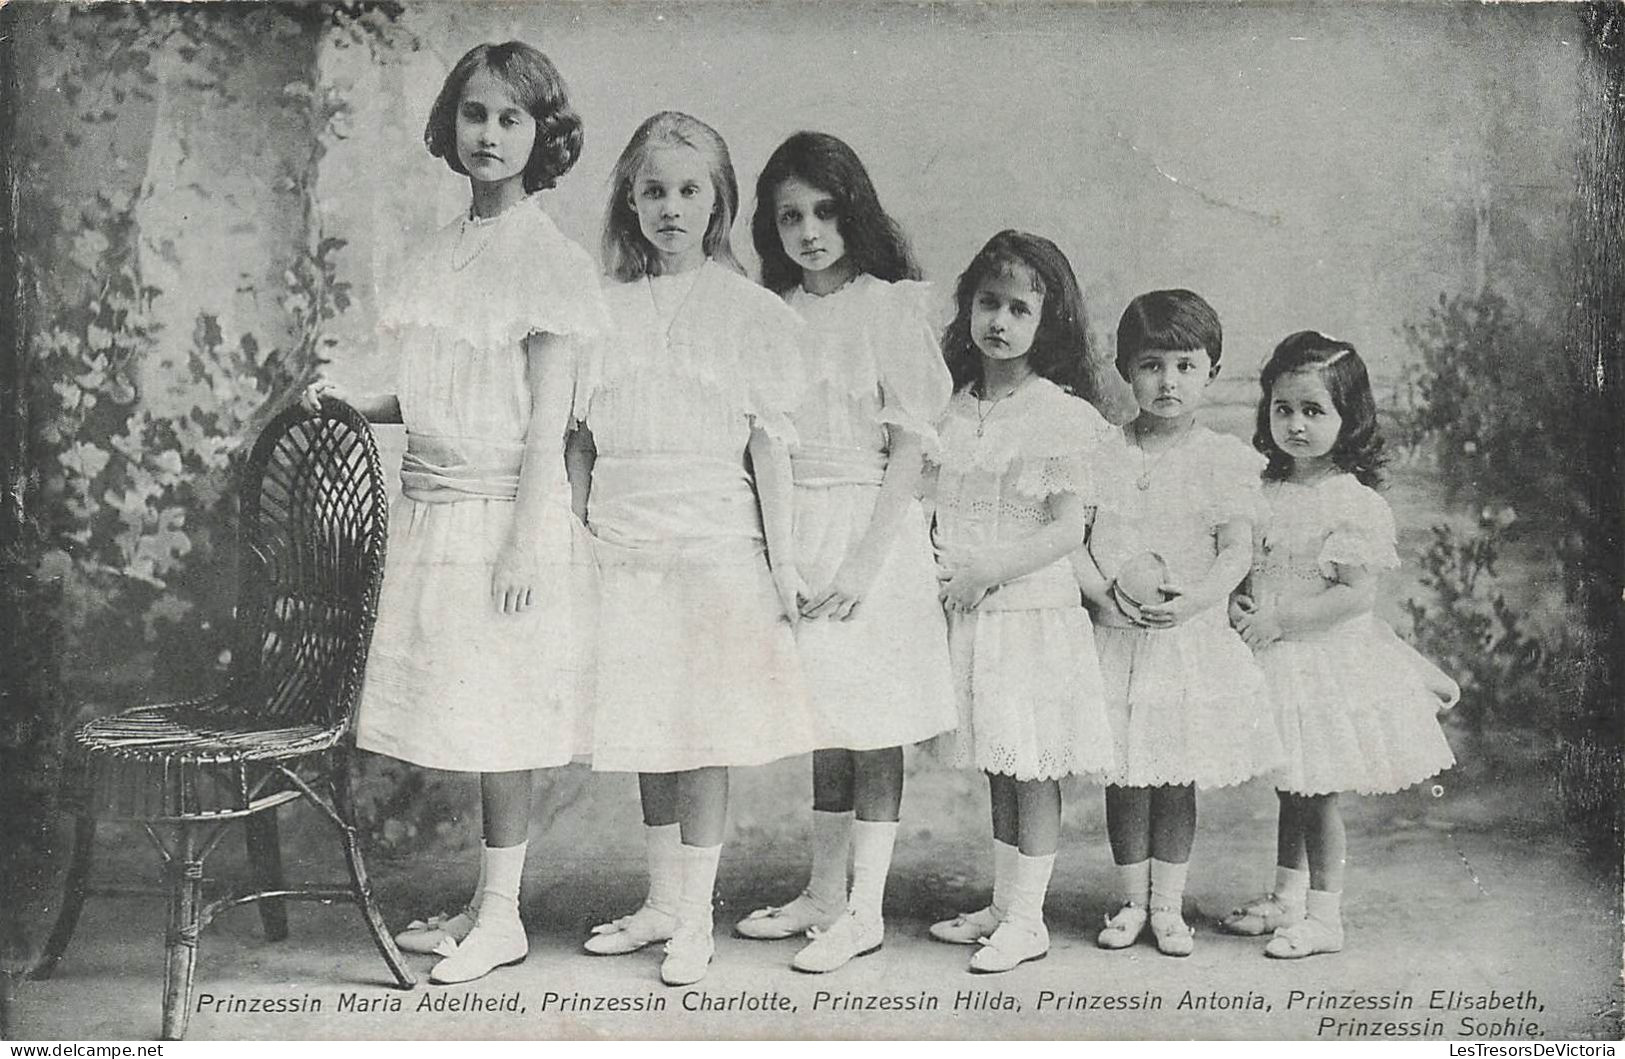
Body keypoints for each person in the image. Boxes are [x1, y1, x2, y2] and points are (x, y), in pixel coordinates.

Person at [301, 41, 607, 985]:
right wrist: (351, 400)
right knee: (465, 715)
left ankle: (505, 916)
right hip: (433, 513)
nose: (488, 134)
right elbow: (431, 387)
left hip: (505, 518)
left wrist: (526, 541)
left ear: (540, 134)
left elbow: (547, 422)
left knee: (501, 719)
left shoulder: (548, 263)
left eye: (511, 118)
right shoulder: (435, 255)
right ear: (452, 124)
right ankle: (483, 902)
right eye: (475, 114)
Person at [570, 112, 816, 987]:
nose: (669, 208)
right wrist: (572, 530)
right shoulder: (599, 309)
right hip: (625, 540)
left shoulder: (747, 312)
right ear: (628, 200)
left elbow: (769, 446)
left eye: (688, 190)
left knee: (702, 728)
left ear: (716, 203)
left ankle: (695, 918)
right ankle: (661, 901)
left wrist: (782, 562)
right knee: (646, 728)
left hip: (713, 543)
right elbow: (581, 442)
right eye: (652, 191)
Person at [732, 131, 957, 974]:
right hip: (804, 526)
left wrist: (864, 563)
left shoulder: (886, 307)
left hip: (873, 527)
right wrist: (784, 560)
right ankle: (825, 892)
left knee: (873, 723)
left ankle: (864, 907)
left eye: (824, 211)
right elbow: (767, 446)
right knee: (824, 715)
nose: (808, 232)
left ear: (852, 211)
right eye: (790, 217)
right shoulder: (773, 317)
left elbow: (908, 446)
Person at [1224, 331, 1457, 958]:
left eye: (1313, 411)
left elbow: (1354, 595)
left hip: (1323, 660)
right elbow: (1246, 568)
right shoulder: (1262, 490)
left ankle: (1325, 916)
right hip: (1276, 657)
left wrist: (1281, 621)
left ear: (1348, 420)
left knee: (1317, 790)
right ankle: (1286, 898)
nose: (1295, 425)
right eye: (1282, 409)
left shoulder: (1353, 503)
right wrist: (1237, 600)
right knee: (1290, 785)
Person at [924, 230, 1119, 973]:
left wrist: (987, 570)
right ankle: (1004, 904)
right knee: (998, 761)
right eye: (987, 304)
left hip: (1030, 610)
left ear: (1049, 323)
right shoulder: (952, 408)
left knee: (1031, 763)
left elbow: (1068, 527)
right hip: (974, 613)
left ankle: (1029, 917)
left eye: (1018, 309)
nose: (999, 322)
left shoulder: (1057, 415)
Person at [1075, 289, 1281, 958]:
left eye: (1185, 366)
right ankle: (1131, 900)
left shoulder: (1219, 459)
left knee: (1172, 774)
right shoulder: (1102, 452)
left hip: (1184, 637)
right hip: (1117, 632)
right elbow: (1071, 536)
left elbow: (1235, 549)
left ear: (1211, 372)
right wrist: (1103, 595)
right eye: (1151, 365)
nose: (1167, 382)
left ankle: (1167, 906)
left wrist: (1194, 602)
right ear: (1123, 369)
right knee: (1125, 775)